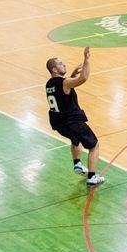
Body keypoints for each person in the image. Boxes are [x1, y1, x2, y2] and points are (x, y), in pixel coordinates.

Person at [45, 47, 105, 187]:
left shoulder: (49, 84)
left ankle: (77, 163)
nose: (64, 64)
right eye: (60, 63)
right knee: (94, 145)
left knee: (75, 138)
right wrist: (86, 60)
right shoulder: (64, 83)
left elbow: (64, 88)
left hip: (59, 124)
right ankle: (92, 177)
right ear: (54, 69)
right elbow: (83, 78)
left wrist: (72, 74)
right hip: (72, 121)